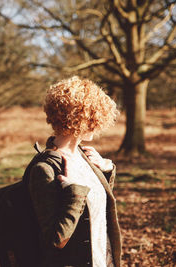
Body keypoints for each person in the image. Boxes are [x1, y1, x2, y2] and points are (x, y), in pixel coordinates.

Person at [28, 76, 122, 267]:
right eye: (95, 117)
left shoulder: (84, 157)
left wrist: (105, 171)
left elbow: (95, 210)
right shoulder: (44, 170)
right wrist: (74, 193)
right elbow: (56, 240)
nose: (98, 125)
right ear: (80, 119)